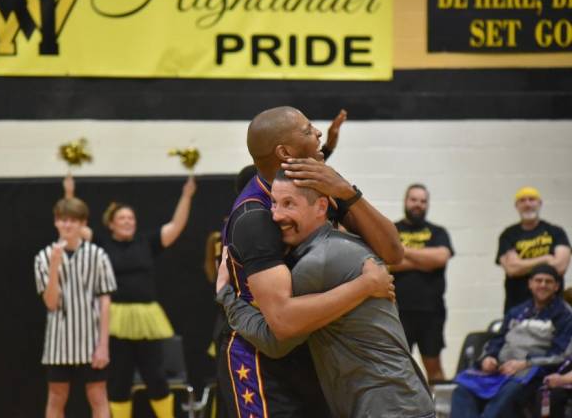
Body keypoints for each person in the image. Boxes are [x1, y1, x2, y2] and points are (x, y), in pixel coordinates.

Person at [216, 106, 403, 418]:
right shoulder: (255, 217)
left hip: (313, 344)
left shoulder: (320, 182)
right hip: (262, 357)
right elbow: (284, 324)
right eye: (307, 130)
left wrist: (347, 192)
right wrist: (366, 285)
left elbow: (394, 252)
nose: (318, 133)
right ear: (285, 152)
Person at [217, 170, 435, 418]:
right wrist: (365, 285)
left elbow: (276, 339)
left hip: (386, 409)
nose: (276, 215)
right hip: (403, 402)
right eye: (274, 203)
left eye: (289, 204)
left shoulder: (318, 262)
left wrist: (226, 295)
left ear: (321, 207)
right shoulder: (343, 244)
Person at [100, 177, 196, 418]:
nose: (127, 221)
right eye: (121, 218)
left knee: (156, 377)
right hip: (115, 319)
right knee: (119, 381)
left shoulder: (146, 242)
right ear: (111, 224)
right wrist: (69, 194)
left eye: (130, 218)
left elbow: (176, 226)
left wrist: (186, 196)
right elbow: (77, 226)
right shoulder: (101, 246)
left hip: (147, 319)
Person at [450, 264, 572, 418]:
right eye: (538, 280)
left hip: (532, 371)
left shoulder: (565, 315)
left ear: (556, 286)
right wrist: (489, 358)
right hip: (500, 369)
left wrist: (525, 363)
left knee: (508, 393)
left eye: (548, 282)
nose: (543, 285)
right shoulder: (517, 311)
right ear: (530, 284)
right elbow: (497, 340)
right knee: (462, 391)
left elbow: (561, 355)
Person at [34, 197, 117, 418]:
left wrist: (103, 345)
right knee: (56, 396)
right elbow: (51, 302)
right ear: (56, 222)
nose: (67, 225)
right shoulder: (43, 257)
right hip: (59, 341)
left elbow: (105, 301)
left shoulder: (98, 255)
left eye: (72, 220)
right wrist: (54, 266)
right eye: (63, 220)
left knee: (98, 396)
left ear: (83, 223)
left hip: (92, 340)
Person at [388, 183, 454, 383]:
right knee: (397, 371)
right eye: (414, 199)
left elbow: (441, 257)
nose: (418, 204)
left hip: (431, 313)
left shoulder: (438, 232)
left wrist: (401, 250)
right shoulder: (391, 230)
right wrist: (425, 261)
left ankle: (440, 414)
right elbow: (386, 262)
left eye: (423, 201)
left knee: (434, 371)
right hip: (397, 312)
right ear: (406, 201)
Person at [497, 186, 571, 313]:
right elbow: (512, 269)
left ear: (539, 203)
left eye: (532, 200)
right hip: (517, 304)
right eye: (522, 201)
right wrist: (546, 258)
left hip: (553, 308)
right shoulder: (508, 235)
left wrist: (522, 264)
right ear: (517, 206)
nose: (527, 204)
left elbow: (560, 266)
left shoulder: (556, 232)